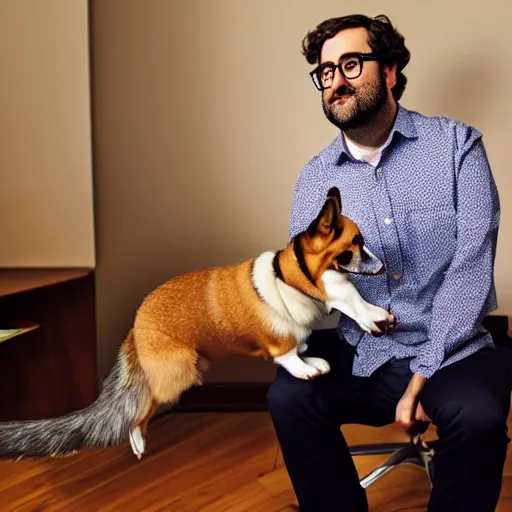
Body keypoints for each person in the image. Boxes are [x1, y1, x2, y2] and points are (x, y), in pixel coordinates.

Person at [267, 13, 512, 512]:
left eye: (351, 64)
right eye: (325, 71)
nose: (335, 81)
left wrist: (422, 376)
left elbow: (470, 268)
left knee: (480, 416)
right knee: (289, 399)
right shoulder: (314, 180)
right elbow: (309, 281)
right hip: (362, 350)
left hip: (453, 346)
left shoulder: (457, 147)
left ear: (391, 70)